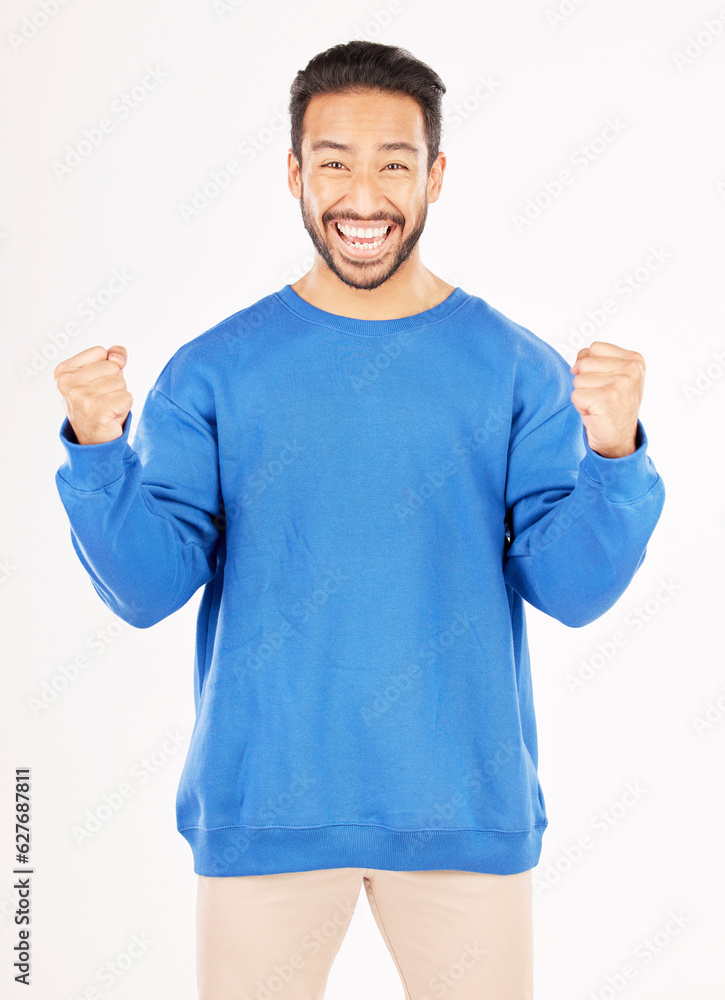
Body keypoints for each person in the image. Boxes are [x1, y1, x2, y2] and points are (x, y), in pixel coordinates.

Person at [53, 39, 665, 1000]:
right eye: (333, 161)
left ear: (436, 176)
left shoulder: (514, 368)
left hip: (464, 813)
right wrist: (96, 449)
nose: (363, 194)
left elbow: (575, 590)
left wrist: (616, 452)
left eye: (394, 162)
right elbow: (144, 588)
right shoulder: (215, 371)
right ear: (295, 173)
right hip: (265, 815)